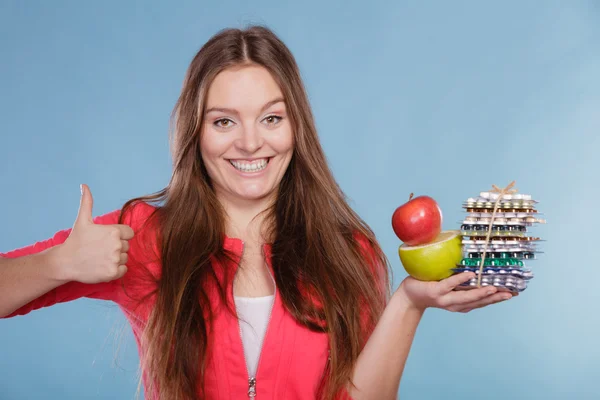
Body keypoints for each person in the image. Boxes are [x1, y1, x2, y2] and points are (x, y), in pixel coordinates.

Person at [0, 26, 511, 400]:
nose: (250, 142)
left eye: (271, 118)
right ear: (195, 134)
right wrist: (59, 264)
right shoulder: (144, 236)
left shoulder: (347, 252)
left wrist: (409, 302)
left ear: (296, 129)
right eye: (224, 121)